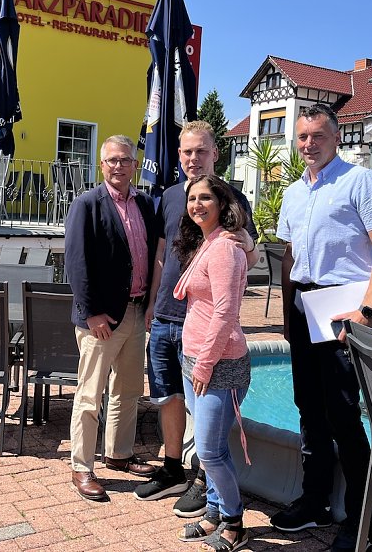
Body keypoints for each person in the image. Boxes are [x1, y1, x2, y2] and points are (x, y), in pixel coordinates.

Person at [271, 104, 372, 552]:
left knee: (344, 415)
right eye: (303, 137)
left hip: (346, 308)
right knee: (308, 407)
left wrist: (365, 311)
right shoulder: (293, 192)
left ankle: (363, 518)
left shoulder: (361, 182)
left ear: (336, 137)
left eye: (318, 137)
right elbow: (290, 257)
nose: (309, 144)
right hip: (306, 307)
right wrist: (290, 315)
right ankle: (315, 500)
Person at [134, 121, 259, 518]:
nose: (192, 159)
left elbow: (243, 257)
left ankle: (207, 482)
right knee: (168, 395)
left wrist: (250, 245)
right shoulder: (171, 196)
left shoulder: (230, 199)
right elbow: (159, 252)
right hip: (169, 317)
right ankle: (173, 468)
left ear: (215, 153)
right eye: (186, 152)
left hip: (204, 325)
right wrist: (153, 300)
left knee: (203, 412)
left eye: (200, 151)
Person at [64, 135, 158, 501]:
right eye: (112, 161)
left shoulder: (146, 205)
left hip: (135, 312)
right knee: (90, 395)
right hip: (100, 320)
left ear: (135, 165)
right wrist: (91, 313)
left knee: (128, 390)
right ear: (101, 165)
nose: (119, 166)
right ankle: (81, 467)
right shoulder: (86, 204)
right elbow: (76, 263)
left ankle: (119, 454)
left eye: (126, 160)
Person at [172, 175, 251, 552]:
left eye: (205, 198)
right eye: (192, 199)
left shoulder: (223, 249)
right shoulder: (207, 243)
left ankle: (234, 522)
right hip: (197, 358)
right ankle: (215, 513)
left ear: (222, 203)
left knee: (209, 451)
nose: (197, 204)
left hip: (218, 363)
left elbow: (225, 312)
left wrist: (203, 365)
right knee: (213, 447)